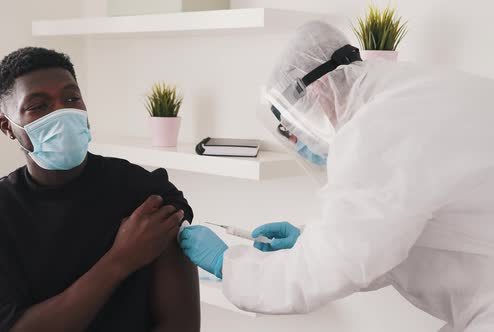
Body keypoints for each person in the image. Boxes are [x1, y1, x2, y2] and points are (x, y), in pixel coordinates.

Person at [179, 21, 494, 332]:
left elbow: (330, 269)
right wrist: (311, 240)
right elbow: (385, 238)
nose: (299, 141)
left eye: (292, 127)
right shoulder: (411, 88)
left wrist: (228, 265)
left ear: (317, 89)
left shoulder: (376, 129)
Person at [0, 47, 200, 332]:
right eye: (39, 106)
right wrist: (119, 261)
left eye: (71, 98)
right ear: (7, 127)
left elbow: (180, 323)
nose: (62, 113)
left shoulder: (146, 192)